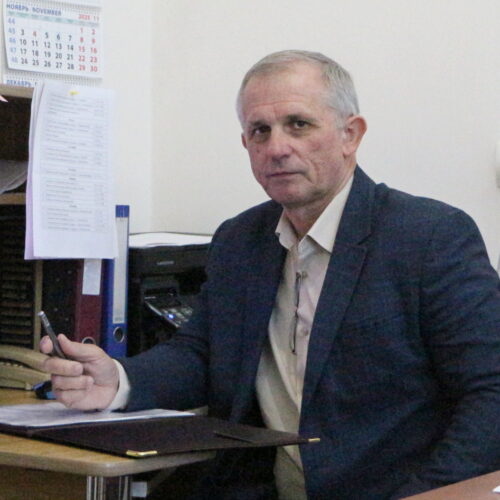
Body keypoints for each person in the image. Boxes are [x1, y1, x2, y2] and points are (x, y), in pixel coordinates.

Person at [41, 50, 500, 499]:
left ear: (350, 134)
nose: (277, 148)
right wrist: (117, 380)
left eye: (299, 124)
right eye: (260, 131)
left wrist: (433, 494)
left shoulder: (428, 237)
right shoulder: (240, 240)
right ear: (246, 144)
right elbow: (203, 354)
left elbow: (490, 393)